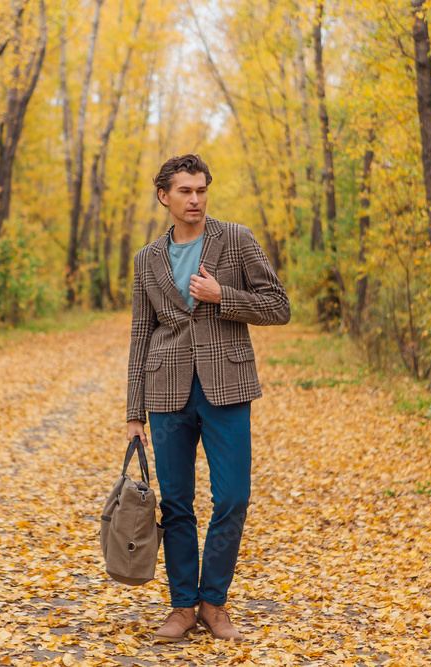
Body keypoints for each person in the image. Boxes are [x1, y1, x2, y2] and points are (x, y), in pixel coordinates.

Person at [125, 154, 291, 642]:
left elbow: (279, 306)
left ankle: (213, 602)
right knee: (176, 504)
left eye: (201, 190)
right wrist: (134, 412)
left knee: (233, 497)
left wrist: (225, 296)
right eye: (185, 191)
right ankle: (182, 607)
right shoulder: (146, 260)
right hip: (166, 391)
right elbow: (140, 333)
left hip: (228, 388)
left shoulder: (235, 240)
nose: (195, 199)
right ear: (164, 197)